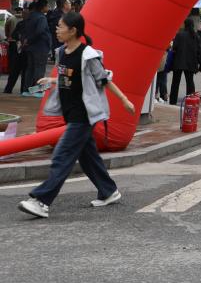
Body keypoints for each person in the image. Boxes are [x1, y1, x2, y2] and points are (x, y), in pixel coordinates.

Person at [17, 12, 135, 219]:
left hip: (83, 116)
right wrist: (52, 81)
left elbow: (104, 80)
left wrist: (125, 100)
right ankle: (109, 191)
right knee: (88, 157)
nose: (57, 29)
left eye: (60, 26)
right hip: (70, 114)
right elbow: (70, 79)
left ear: (73, 31)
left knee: (62, 156)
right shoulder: (63, 52)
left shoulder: (88, 55)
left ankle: (42, 201)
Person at [19, 0, 51, 97]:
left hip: (30, 47)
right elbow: (40, 31)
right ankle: (38, 91)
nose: (48, 8)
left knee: (30, 69)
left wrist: (27, 40)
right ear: (43, 7)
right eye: (47, 6)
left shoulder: (30, 17)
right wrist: (30, 40)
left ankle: (27, 90)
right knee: (39, 69)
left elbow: (24, 31)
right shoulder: (42, 18)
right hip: (40, 47)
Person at [169, 18, 201, 105]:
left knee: (175, 82)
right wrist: (198, 62)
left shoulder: (179, 35)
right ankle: (190, 101)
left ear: (185, 24)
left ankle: (173, 101)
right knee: (190, 82)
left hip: (178, 61)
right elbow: (199, 50)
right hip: (190, 62)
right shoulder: (195, 36)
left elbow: (174, 47)